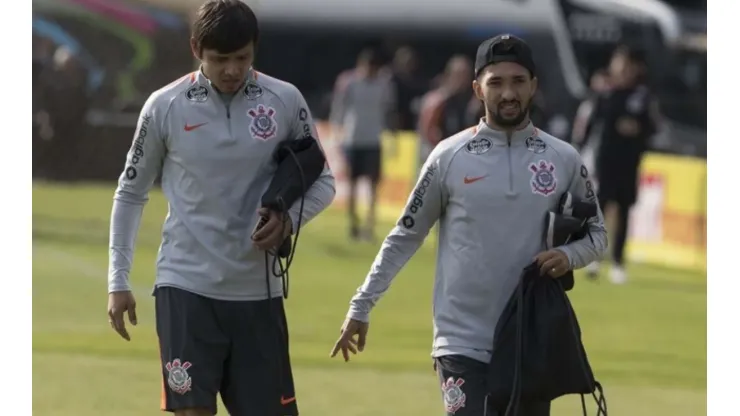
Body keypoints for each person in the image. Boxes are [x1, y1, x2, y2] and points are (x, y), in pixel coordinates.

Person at [330, 34, 607, 416]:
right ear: (478, 88)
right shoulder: (449, 156)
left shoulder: (563, 158)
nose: (508, 93)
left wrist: (568, 254)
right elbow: (405, 235)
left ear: (534, 86)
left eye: (517, 81)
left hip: (529, 338)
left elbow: (597, 235)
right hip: (460, 341)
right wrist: (361, 306)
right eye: (496, 83)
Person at [106, 2, 336, 415]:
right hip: (186, 287)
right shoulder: (165, 106)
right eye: (219, 59)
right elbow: (130, 192)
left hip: (257, 293)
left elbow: (323, 180)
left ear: (255, 49)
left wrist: (287, 220)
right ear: (197, 48)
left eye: (242, 58)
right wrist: (117, 279)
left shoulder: (284, 100)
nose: (232, 70)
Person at [584, 45, 659, 284]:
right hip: (605, 159)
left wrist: (638, 130)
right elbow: (590, 123)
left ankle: (618, 262)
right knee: (600, 209)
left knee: (624, 210)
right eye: (619, 65)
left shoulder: (642, 96)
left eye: (627, 66)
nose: (623, 70)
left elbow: (653, 127)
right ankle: (595, 258)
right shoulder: (604, 92)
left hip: (629, 161)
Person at [330, 48, 396, 241]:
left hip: (374, 139)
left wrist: (390, 132)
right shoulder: (349, 82)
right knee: (352, 183)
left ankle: (369, 224)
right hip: (353, 138)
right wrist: (337, 132)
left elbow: (388, 109)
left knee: (373, 185)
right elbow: (339, 107)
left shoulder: (384, 85)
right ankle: (353, 224)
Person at [417, 55, 479, 170]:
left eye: (466, 75)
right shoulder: (436, 101)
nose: (462, 80)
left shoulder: (474, 102)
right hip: (440, 159)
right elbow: (428, 132)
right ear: (449, 75)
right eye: (459, 75)